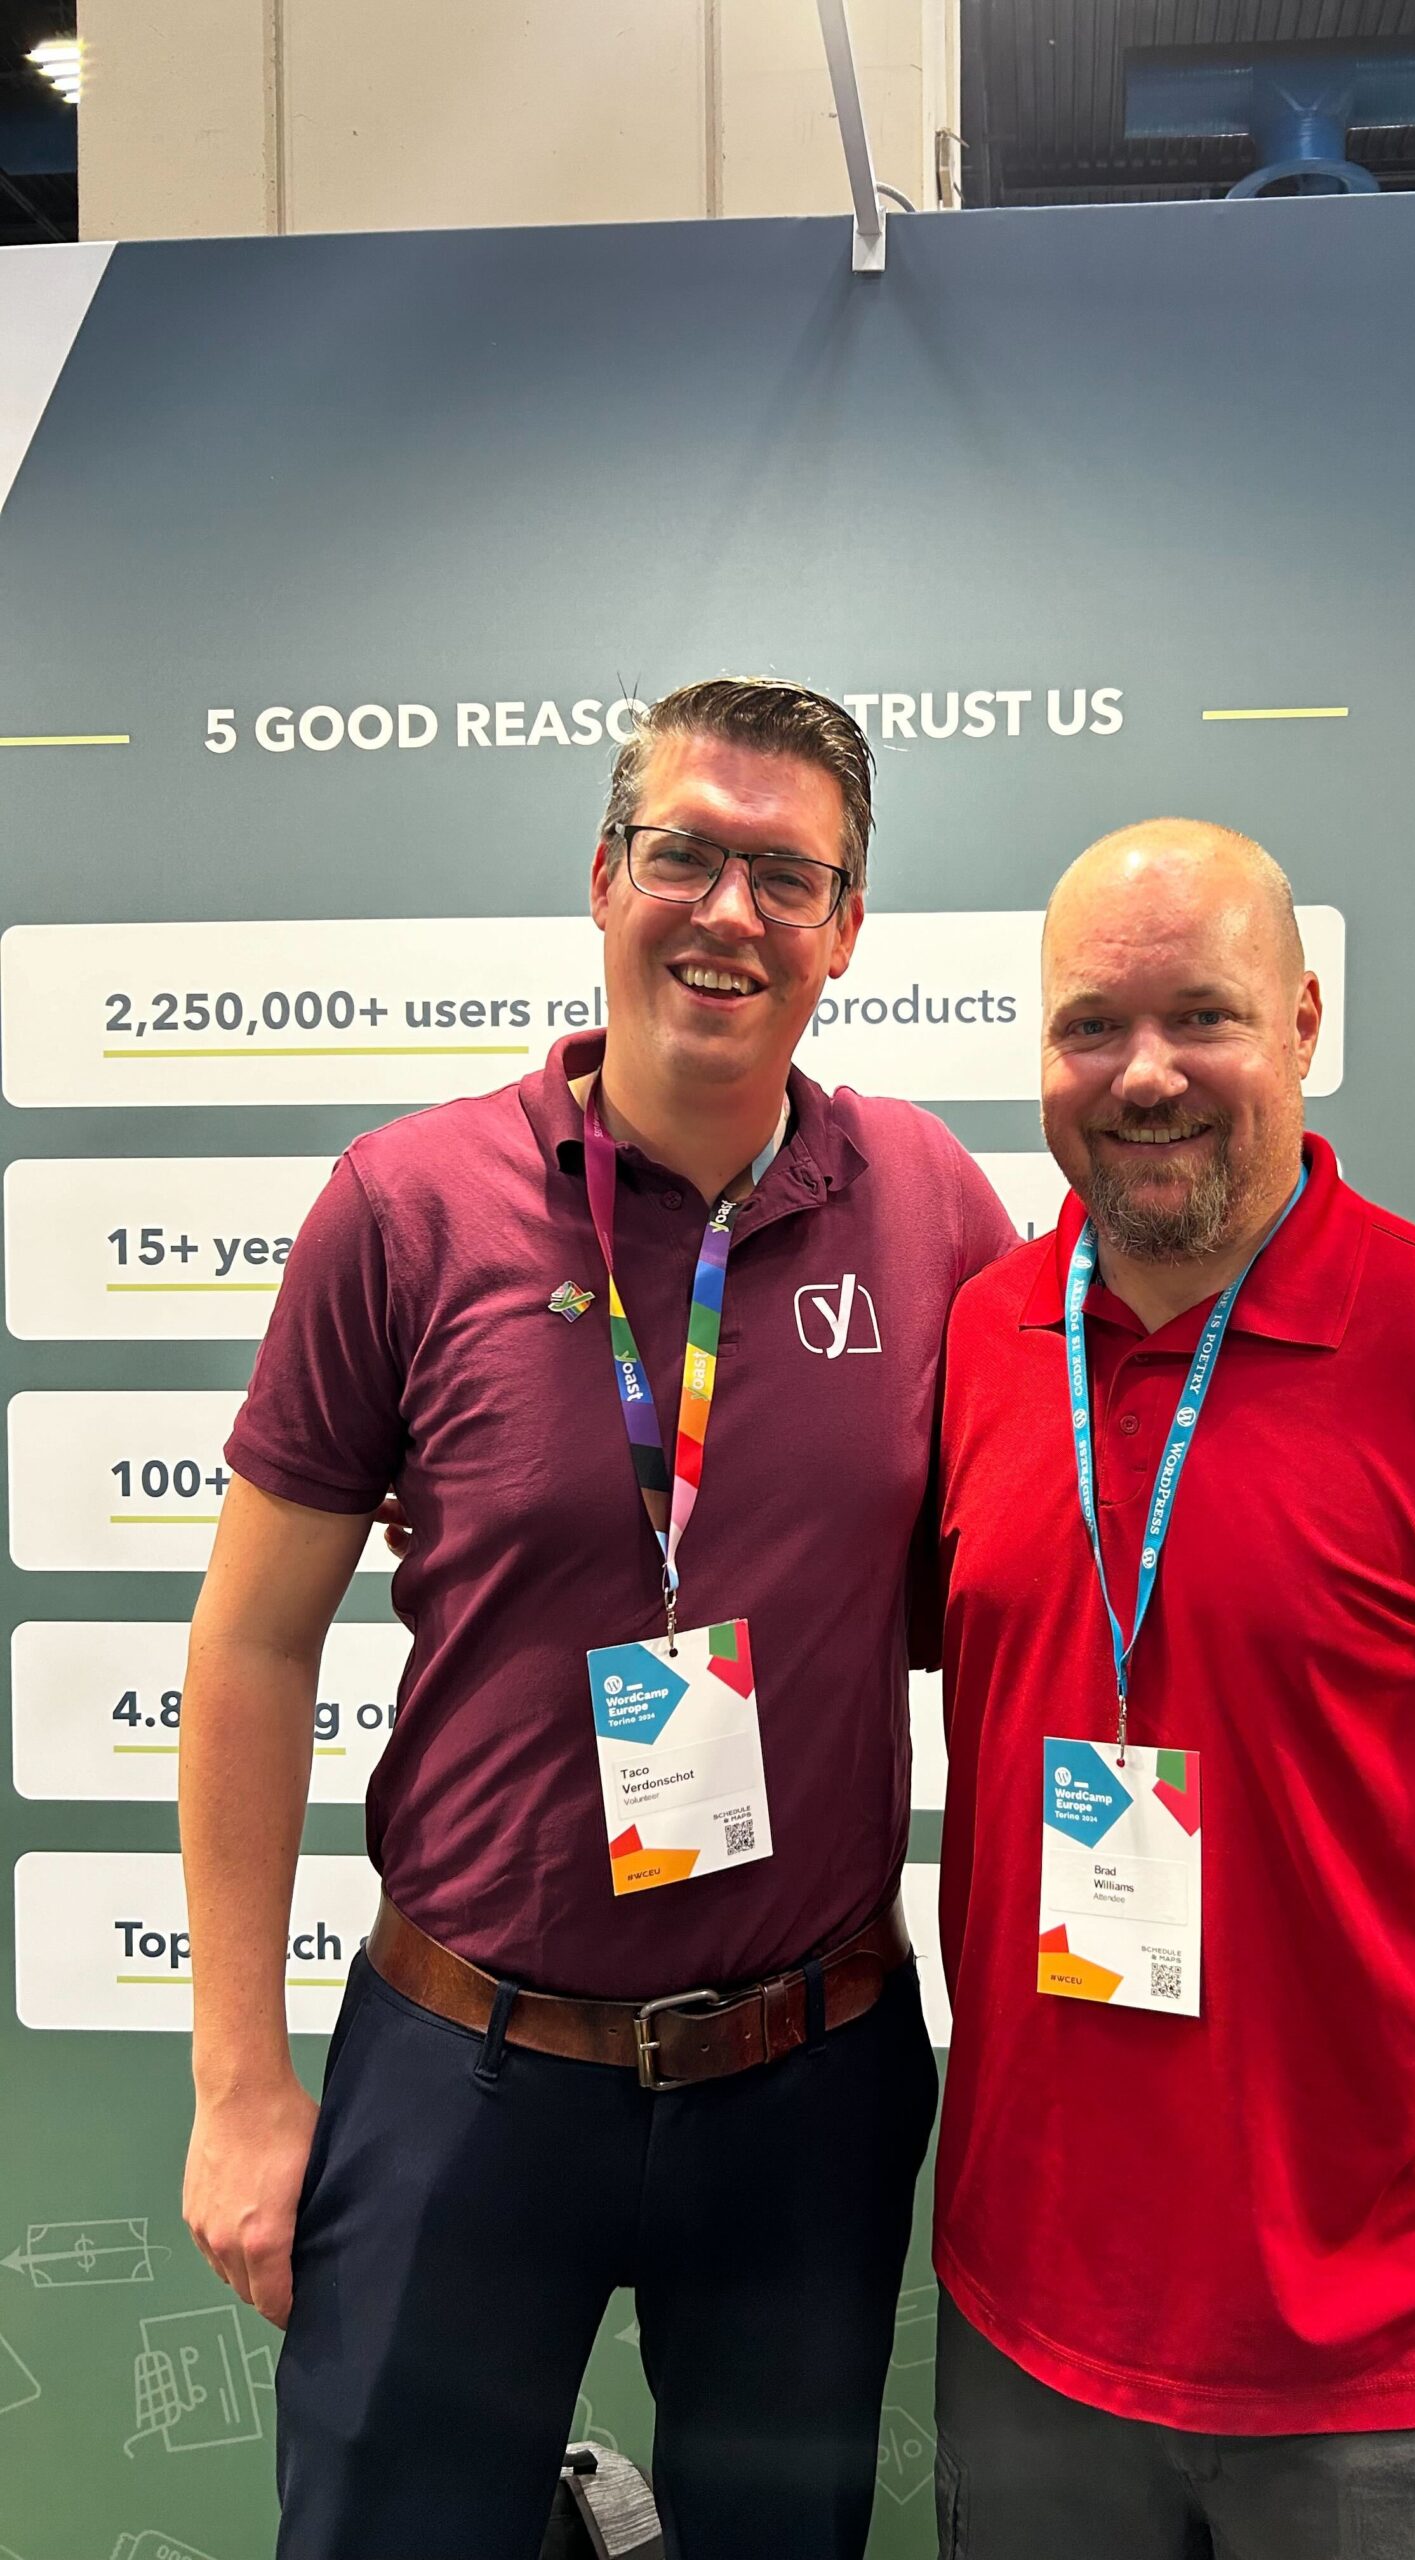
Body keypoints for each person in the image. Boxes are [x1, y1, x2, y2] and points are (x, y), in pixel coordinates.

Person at [178, 676, 1014, 2560]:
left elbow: (1023, 1596)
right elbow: (250, 1646)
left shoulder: (933, 1212)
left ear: (847, 931)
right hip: (465, 2065)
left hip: (806, 2078)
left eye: (787, 877)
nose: (730, 912)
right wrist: (238, 2084)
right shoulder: (407, 1209)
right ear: (602, 877)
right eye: (685, 855)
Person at [928, 820, 1415, 2559]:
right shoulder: (981, 1341)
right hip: (1033, 2335)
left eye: (1202, 1017)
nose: (1146, 1074)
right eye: (1090, 1027)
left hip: (1394, 2373)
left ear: (1303, 1021)